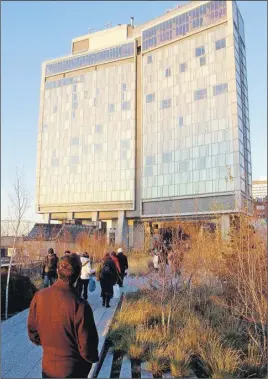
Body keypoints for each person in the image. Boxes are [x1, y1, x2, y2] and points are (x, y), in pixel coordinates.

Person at [28, 253, 99, 378]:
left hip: (48, 366)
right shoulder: (80, 305)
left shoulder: (39, 296)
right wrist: (91, 358)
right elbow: (88, 346)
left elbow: (33, 333)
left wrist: (49, 345)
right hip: (74, 369)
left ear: (57, 270)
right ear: (77, 274)